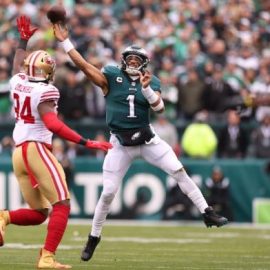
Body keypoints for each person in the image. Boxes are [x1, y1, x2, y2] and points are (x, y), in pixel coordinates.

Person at [53, 23, 228, 262]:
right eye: (130, 59)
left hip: (147, 139)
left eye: (138, 60)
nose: (133, 62)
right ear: (124, 60)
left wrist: (146, 89)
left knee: (179, 171)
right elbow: (84, 66)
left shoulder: (151, 81)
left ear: (144, 63)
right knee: (108, 193)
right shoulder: (111, 77)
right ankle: (94, 237)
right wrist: (65, 43)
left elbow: (160, 108)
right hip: (120, 143)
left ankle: (207, 212)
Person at [0, 16, 112, 269]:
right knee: (62, 204)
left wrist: (23, 40)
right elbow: (52, 124)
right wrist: (87, 142)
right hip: (37, 148)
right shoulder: (45, 91)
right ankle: (47, 257)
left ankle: (3, 217)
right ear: (48, 71)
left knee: (40, 213)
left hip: (20, 153)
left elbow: (18, 62)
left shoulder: (17, 81)